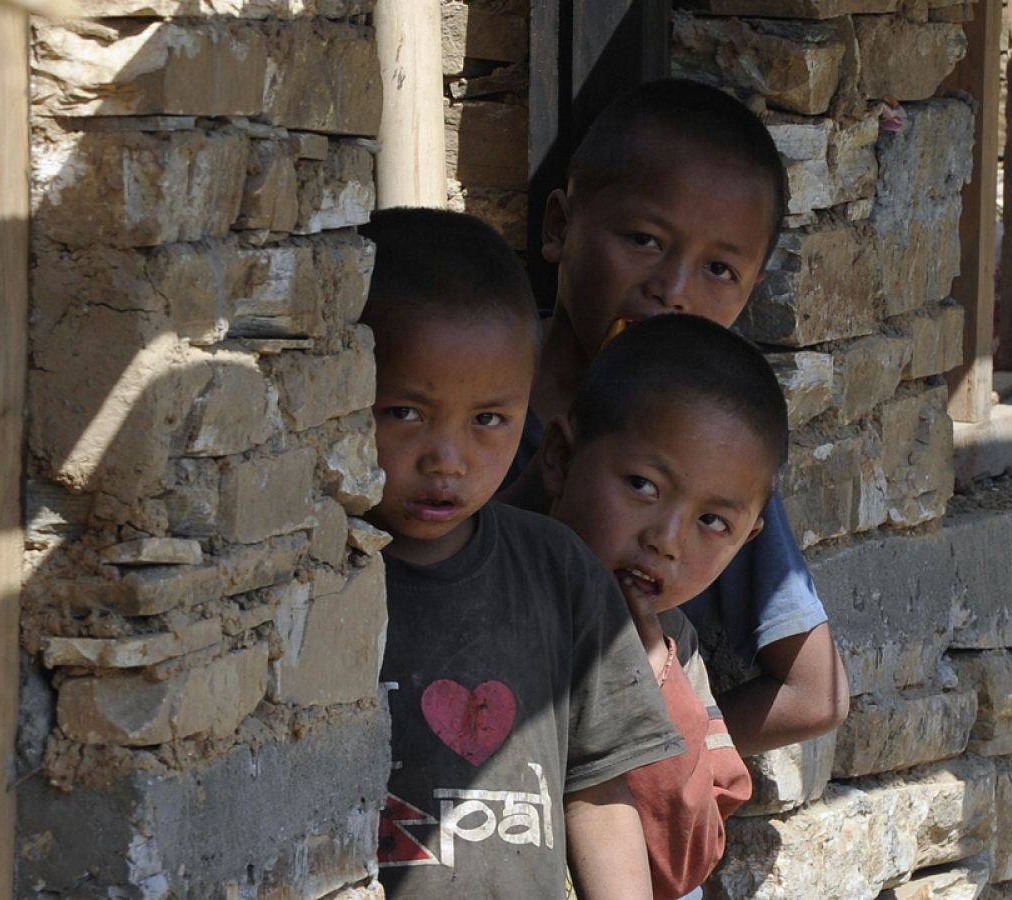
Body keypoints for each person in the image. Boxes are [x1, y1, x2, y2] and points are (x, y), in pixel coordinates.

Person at [503, 78, 850, 755]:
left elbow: (817, 693)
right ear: (559, 228)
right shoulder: (477, 394)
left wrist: (660, 752)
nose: (673, 290)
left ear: (749, 295)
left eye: (719, 270)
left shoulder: (710, 462)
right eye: (643, 239)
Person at [360, 207, 684, 899]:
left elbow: (596, 787)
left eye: (488, 420)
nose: (448, 460)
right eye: (405, 413)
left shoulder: (558, 572)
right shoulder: (314, 581)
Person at [540, 314, 794, 897]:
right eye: (643, 486)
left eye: (712, 521)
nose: (667, 539)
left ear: (747, 540)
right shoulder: (499, 596)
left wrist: (651, 674)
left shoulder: (675, 654)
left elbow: (682, 860)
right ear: (559, 457)